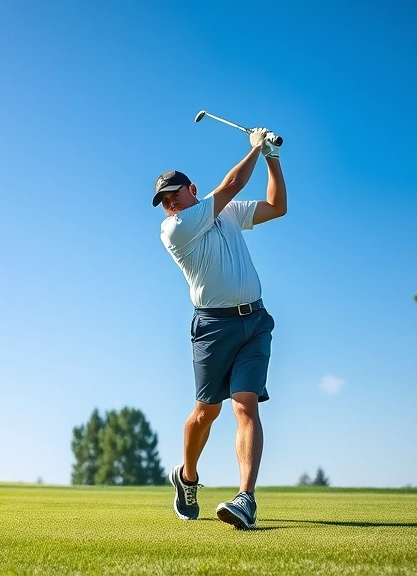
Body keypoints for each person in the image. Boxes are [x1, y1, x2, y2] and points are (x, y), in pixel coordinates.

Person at [153, 127, 287, 529]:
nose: (170, 204)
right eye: (163, 201)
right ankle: (187, 476)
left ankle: (246, 498)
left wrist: (273, 160)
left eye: (174, 194)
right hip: (212, 328)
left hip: (255, 323)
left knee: (245, 405)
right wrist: (255, 148)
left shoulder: (226, 212)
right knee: (206, 412)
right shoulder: (175, 229)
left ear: (191, 189)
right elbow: (231, 183)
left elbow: (276, 207)